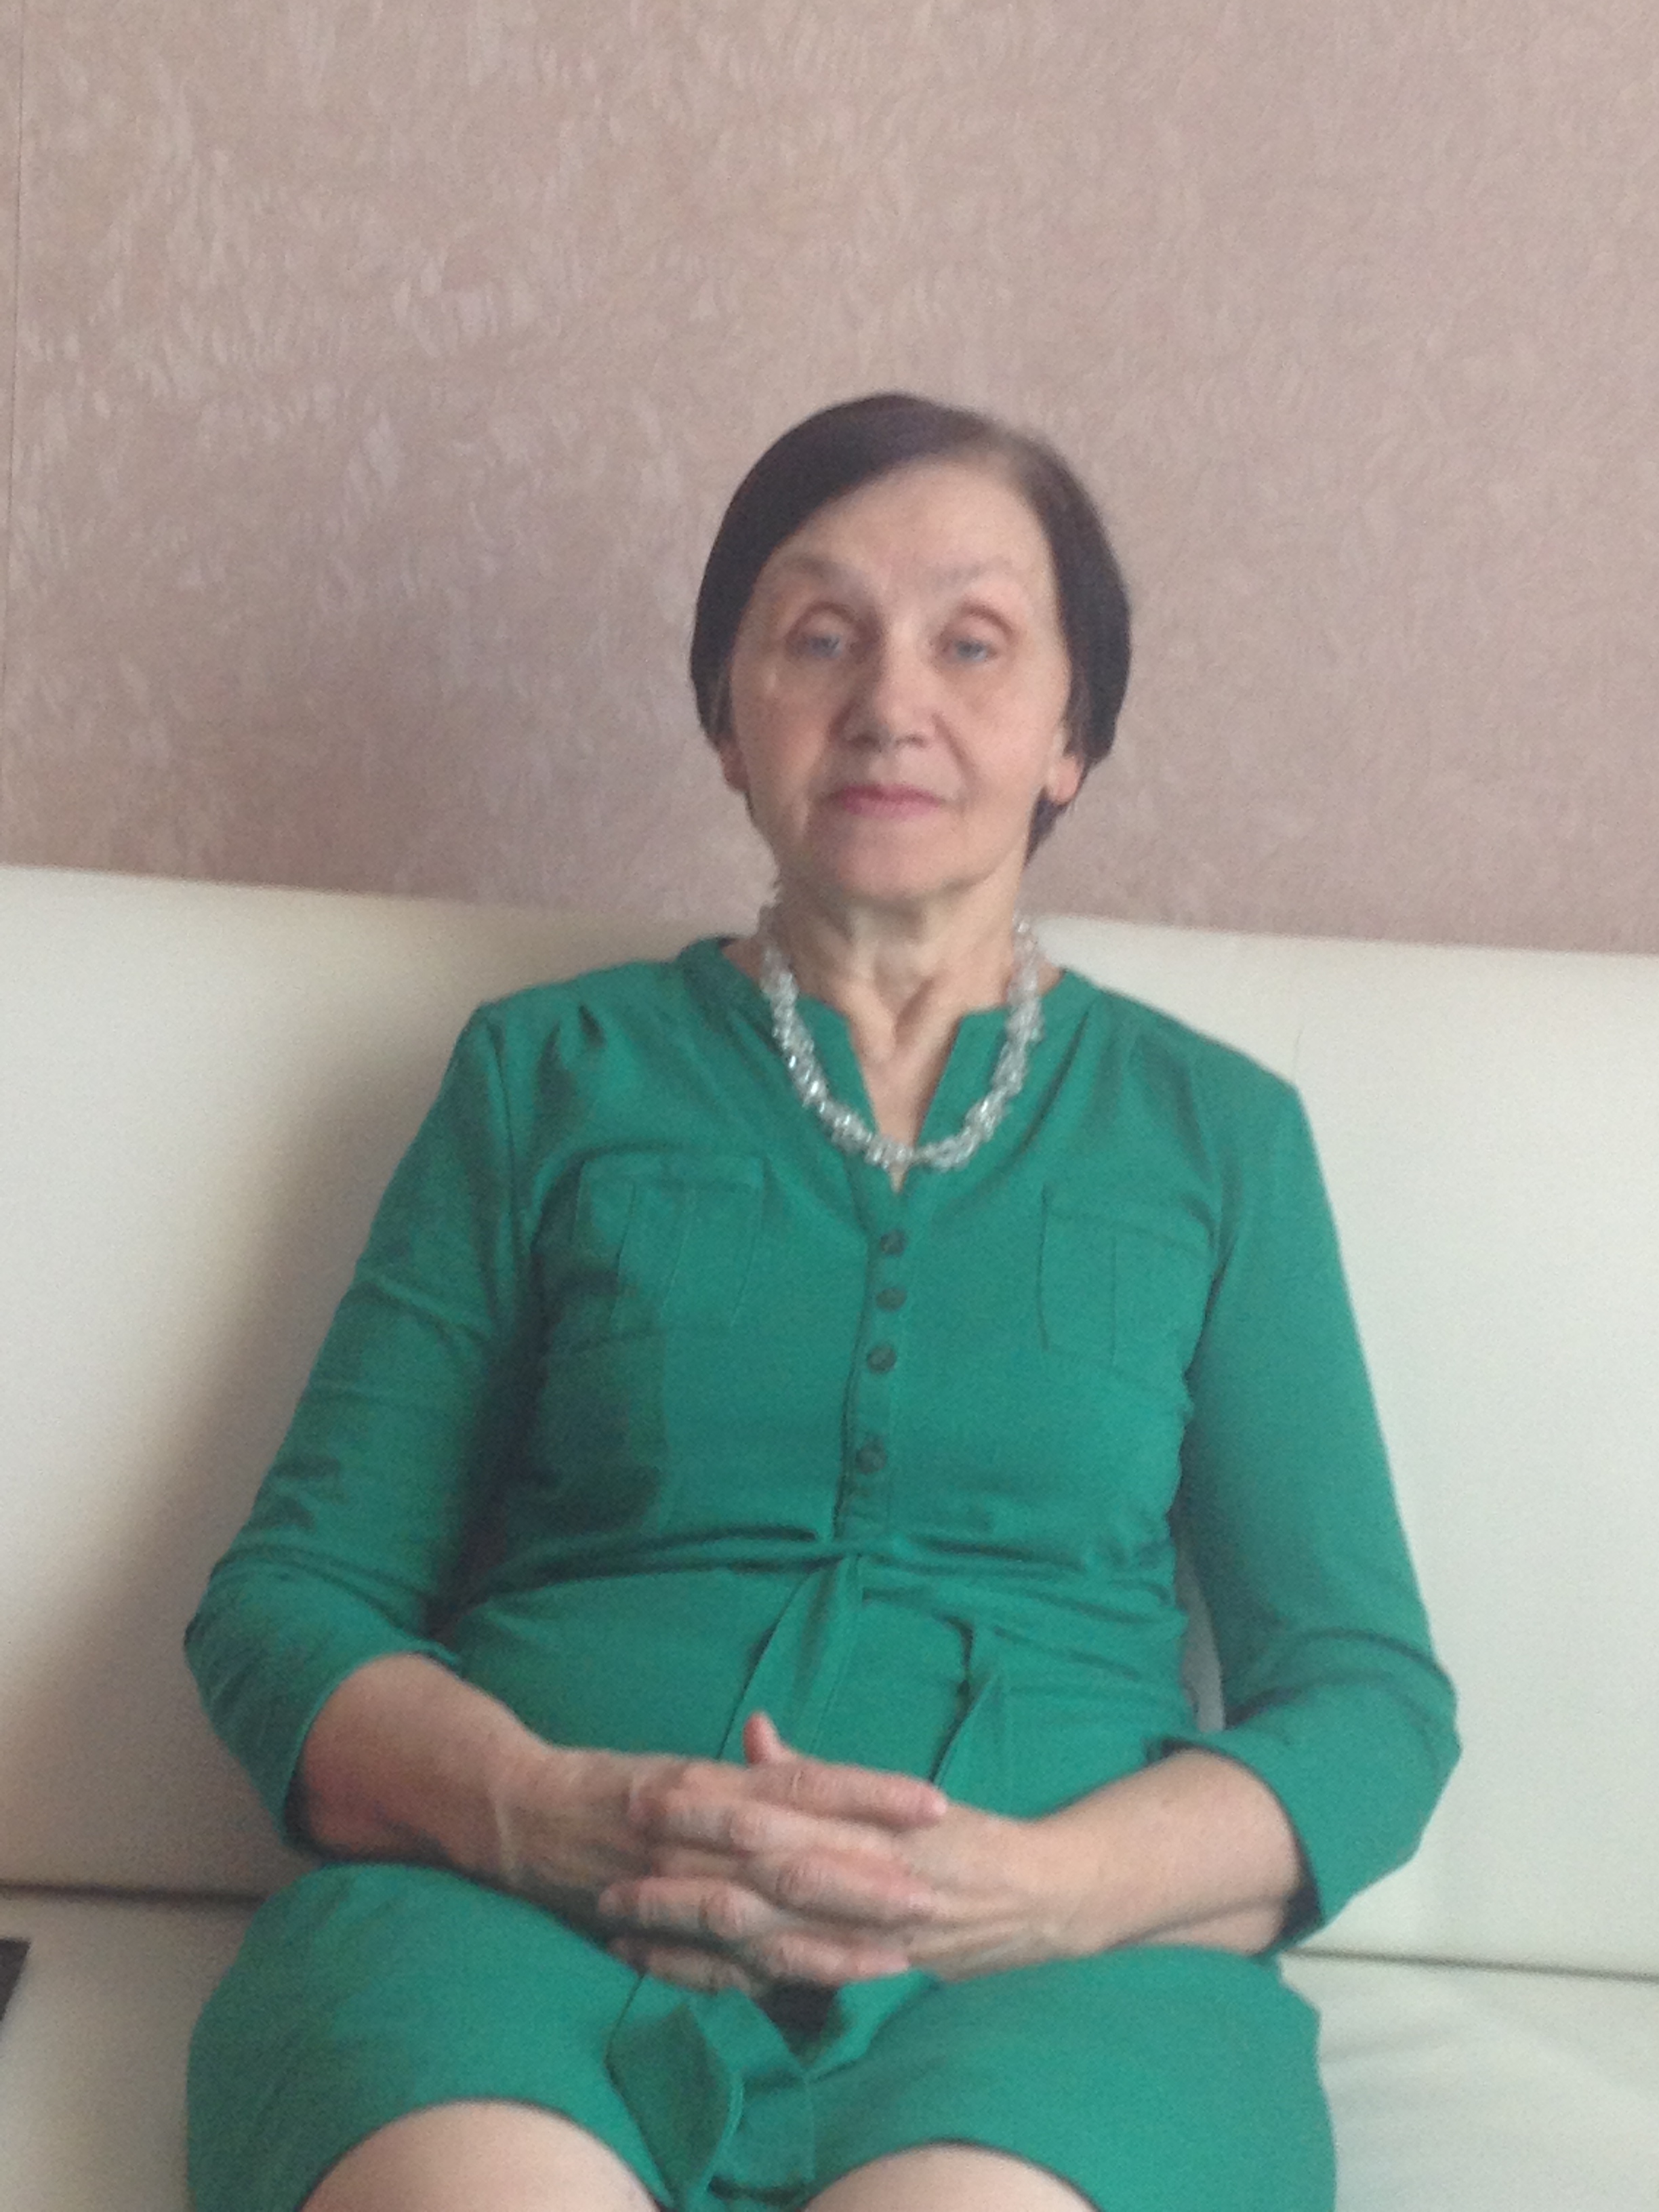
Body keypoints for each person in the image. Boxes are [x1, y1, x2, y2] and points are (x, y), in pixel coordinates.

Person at [186, 392, 1457, 2212]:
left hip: (1060, 1997)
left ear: (1072, 735)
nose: (890, 702)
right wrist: (549, 1815)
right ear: (729, 716)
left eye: (974, 643)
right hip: (511, 1947)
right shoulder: (543, 1079)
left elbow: (1364, 1700)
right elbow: (289, 1601)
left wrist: (1041, 1892)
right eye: (819, 636)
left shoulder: (1216, 1136)